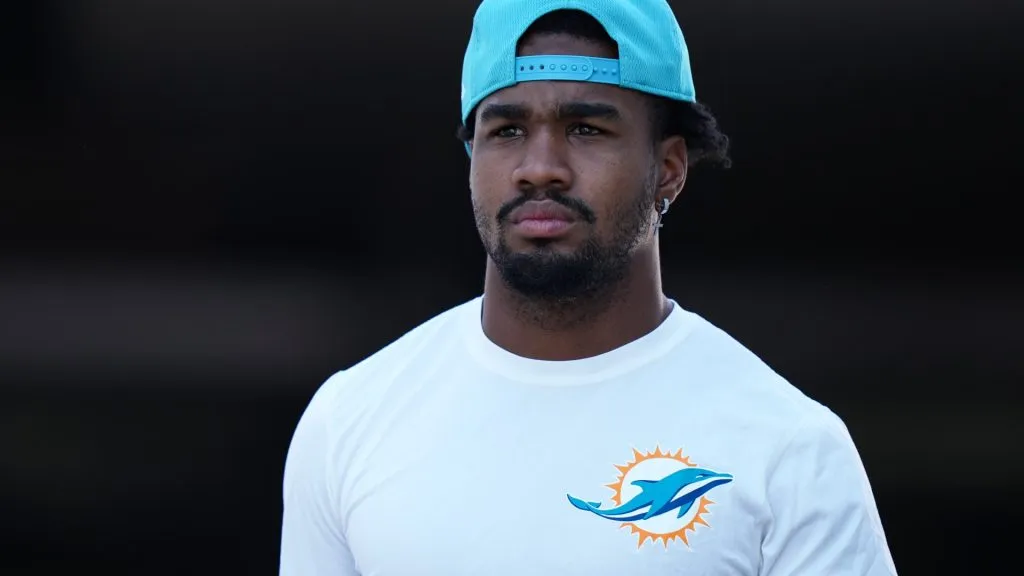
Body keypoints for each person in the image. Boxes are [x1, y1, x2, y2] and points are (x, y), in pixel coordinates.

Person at [279, 0, 898, 574]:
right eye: (507, 131)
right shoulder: (349, 420)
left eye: (585, 129)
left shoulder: (790, 447)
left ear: (670, 169)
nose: (539, 166)